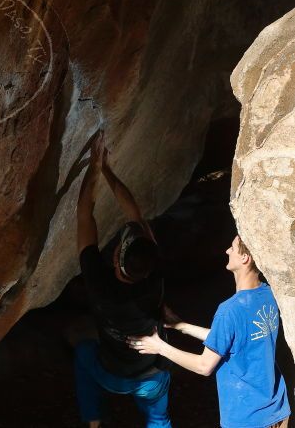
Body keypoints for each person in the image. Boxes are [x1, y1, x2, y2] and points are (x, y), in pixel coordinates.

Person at [128, 235, 291, 428]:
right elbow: (233, 340)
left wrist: (160, 347)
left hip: (248, 418)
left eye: (232, 248)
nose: (227, 251)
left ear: (245, 259)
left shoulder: (230, 310)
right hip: (278, 410)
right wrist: (183, 327)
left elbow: (204, 366)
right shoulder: (268, 294)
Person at [75, 131, 172, 428]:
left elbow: (84, 216)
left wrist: (97, 167)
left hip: (112, 377)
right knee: (158, 415)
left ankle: (93, 421)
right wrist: (106, 169)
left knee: (83, 353)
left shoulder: (99, 285)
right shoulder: (153, 278)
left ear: (116, 259)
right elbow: (136, 217)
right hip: (150, 376)